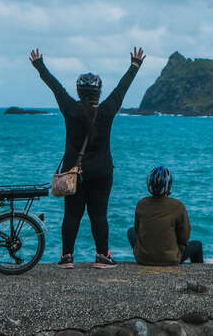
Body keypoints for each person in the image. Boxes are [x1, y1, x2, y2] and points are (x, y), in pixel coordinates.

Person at [30, 46, 144, 269]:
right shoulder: (107, 110)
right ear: (99, 92)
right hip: (102, 171)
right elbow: (122, 89)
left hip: (74, 171)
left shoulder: (70, 109)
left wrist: (39, 65)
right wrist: (134, 66)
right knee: (99, 215)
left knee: (71, 214)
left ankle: (66, 257)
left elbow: (56, 88)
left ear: (79, 91)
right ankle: (102, 256)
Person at [127, 166, 204, 266]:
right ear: (169, 185)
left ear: (149, 184)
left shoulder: (141, 204)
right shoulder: (178, 206)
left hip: (143, 258)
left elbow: (137, 230)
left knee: (130, 231)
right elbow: (184, 237)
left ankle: (146, 254)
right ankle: (198, 271)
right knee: (197, 245)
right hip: (170, 259)